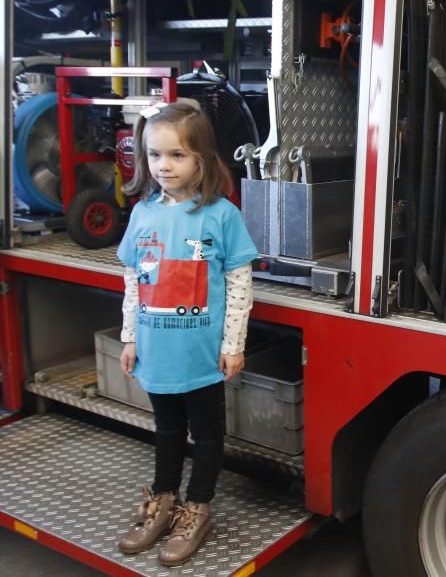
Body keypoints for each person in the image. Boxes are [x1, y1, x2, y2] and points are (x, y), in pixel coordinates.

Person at [114, 100, 258, 566]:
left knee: (208, 434)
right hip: (158, 351)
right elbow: (134, 280)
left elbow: (239, 282)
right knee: (168, 429)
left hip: (201, 355)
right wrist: (130, 336)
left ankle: (197, 508)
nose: (163, 166)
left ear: (202, 158)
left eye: (176, 155)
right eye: (154, 155)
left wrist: (233, 344)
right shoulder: (142, 214)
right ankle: (163, 500)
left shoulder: (221, 215)